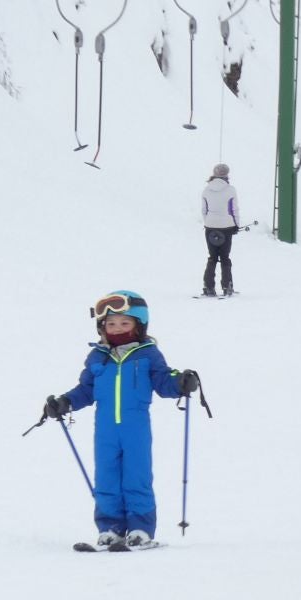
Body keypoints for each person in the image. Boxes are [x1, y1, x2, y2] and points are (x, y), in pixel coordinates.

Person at [40, 291, 197, 549]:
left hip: (135, 427)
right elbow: (85, 390)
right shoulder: (98, 357)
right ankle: (110, 528)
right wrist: (65, 402)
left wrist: (179, 383)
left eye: (125, 323)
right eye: (111, 324)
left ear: (139, 326)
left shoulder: (148, 355)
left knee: (137, 476)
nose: (117, 328)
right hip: (105, 430)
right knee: (106, 478)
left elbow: (162, 381)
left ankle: (140, 529)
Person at [199, 164, 239, 297]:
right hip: (226, 227)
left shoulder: (206, 190)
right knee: (225, 257)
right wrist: (236, 225)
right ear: (227, 175)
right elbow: (234, 209)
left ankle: (208, 286)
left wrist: (209, 222)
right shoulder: (231, 190)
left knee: (212, 257)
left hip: (210, 227)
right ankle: (227, 286)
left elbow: (204, 211)